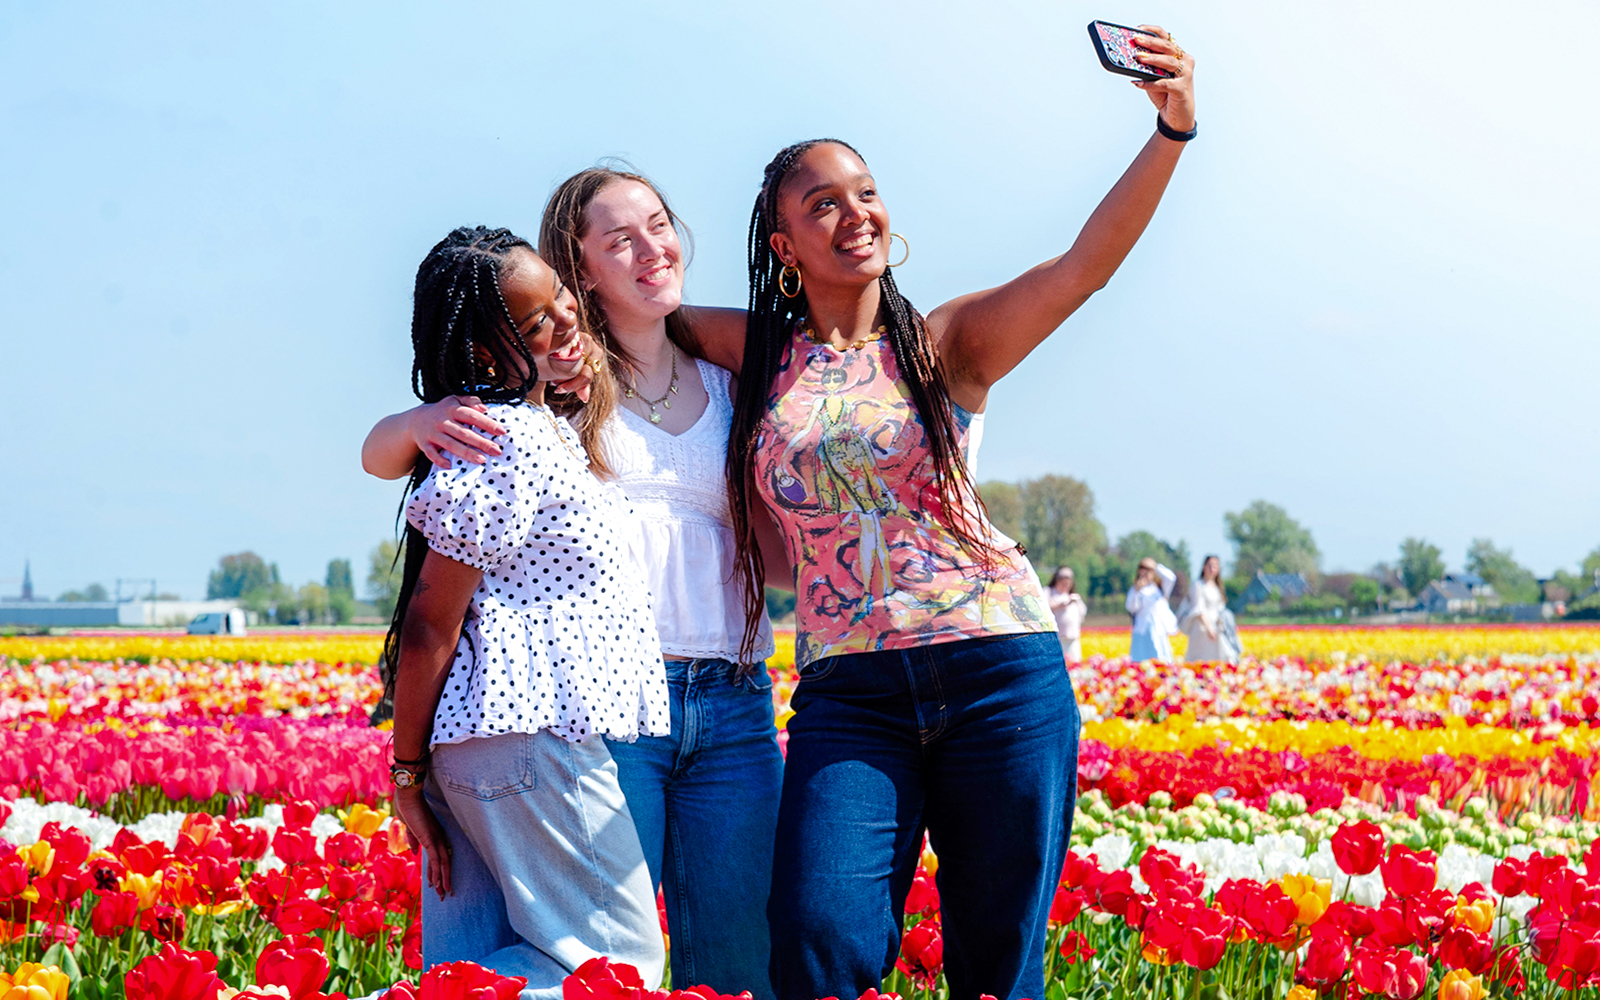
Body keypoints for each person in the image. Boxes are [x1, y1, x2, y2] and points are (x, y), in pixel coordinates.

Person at [702, 27, 1195, 1000]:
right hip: (849, 692)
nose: (855, 214)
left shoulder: (944, 342)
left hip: (997, 671)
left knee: (994, 964)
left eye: (866, 192)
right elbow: (625, 317)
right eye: (823, 204)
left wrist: (1173, 129)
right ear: (782, 243)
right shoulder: (755, 350)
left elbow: (1084, 266)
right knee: (816, 935)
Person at [363, 170, 784, 1000]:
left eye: (659, 223)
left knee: (502, 958)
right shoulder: (529, 420)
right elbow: (423, 592)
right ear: (580, 265)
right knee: (610, 971)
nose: (650, 246)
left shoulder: (705, 378)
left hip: (704, 699)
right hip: (579, 712)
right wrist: (416, 421)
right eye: (618, 238)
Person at [384, 227, 668, 997]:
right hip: (534, 734)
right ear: (484, 353)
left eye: (561, 298)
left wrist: (420, 768)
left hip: (486, 743)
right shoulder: (508, 439)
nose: (567, 319)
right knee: (612, 970)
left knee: (472, 968)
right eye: (536, 320)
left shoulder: (532, 431)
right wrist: (404, 771)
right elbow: (428, 623)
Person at [1178, 554, 1234, 663]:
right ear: (1204, 567)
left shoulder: (1217, 586)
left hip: (1217, 626)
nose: (1212, 569)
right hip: (1201, 627)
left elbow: (1220, 608)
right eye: (1210, 566)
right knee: (1201, 660)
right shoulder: (1198, 585)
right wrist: (1209, 628)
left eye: (1215, 566)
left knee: (1219, 658)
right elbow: (1198, 609)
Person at [1126, 557, 1179, 662]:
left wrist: (1156, 567)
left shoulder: (1160, 588)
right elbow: (1131, 607)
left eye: (1149, 570)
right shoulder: (1135, 589)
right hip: (1142, 628)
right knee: (1140, 659)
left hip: (1158, 629)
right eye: (1143, 569)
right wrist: (1137, 591)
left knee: (1160, 658)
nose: (1146, 572)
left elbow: (1171, 578)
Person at [1047, 566, 1088, 663]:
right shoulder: (1049, 591)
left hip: (1072, 638)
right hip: (1057, 639)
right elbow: (1044, 607)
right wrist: (1061, 605)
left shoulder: (1072, 595)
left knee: (1075, 664)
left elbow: (1082, 612)